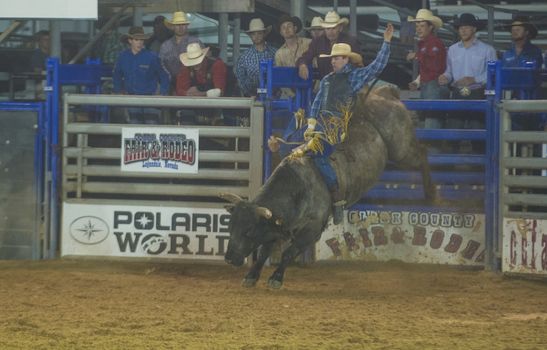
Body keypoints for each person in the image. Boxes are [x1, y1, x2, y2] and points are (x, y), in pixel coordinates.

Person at [295, 24, 394, 224]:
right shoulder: (327, 80)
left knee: (317, 154)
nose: (333, 61)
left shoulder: (354, 76)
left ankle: (337, 198)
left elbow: (377, 66)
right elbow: (317, 102)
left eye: (337, 58)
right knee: (297, 148)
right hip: (322, 126)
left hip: (340, 127)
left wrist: (386, 43)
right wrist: (311, 125)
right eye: (332, 58)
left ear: (347, 60)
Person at [438, 13, 496, 130]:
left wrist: (474, 79)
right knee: (454, 130)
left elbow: (493, 73)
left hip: (478, 94)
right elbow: (449, 72)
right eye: (460, 28)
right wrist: (445, 77)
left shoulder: (487, 50)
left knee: (477, 130)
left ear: (474, 29)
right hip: (457, 93)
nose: (463, 30)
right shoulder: (452, 50)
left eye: (466, 27)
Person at [113, 27, 170, 124]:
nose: (140, 42)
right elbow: (117, 75)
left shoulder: (152, 57)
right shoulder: (122, 57)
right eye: (136, 40)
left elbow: (164, 76)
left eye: (142, 40)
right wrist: (118, 91)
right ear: (130, 41)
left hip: (150, 99)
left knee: (151, 128)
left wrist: (162, 93)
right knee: (134, 130)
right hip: (131, 99)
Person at [407, 9, 448, 130]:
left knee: (430, 123)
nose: (418, 28)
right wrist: (417, 82)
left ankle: (433, 147)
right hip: (429, 86)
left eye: (422, 26)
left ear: (431, 27)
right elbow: (428, 68)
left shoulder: (434, 43)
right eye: (417, 26)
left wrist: (416, 55)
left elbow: (434, 66)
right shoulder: (426, 43)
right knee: (426, 121)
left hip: (434, 86)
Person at [296, 10, 361, 81]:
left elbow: (358, 63)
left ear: (340, 28)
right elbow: (306, 56)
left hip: (347, 83)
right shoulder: (318, 42)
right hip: (326, 84)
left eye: (333, 28)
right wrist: (302, 64)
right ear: (324, 29)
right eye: (328, 28)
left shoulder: (350, 42)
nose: (330, 32)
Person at [234, 18, 277, 97]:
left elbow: (280, 75)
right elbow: (240, 78)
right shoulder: (243, 57)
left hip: (274, 98)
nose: (256, 36)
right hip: (251, 97)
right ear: (250, 36)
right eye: (253, 34)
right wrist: (249, 94)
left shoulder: (275, 53)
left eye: (259, 33)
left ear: (264, 34)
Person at [159, 11, 202, 88]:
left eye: (183, 24)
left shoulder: (196, 42)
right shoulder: (165, 45)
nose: (180, 27)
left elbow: (202, 64)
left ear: (187, 26)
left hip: (192, 84)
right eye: (177, 25)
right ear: (173, 27)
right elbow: (160, 64)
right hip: (171, 84)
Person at [275, 14, 311, 98]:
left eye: (289, 26)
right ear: (281, 32)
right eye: (283, 27)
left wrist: (313, 90)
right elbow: (281, 79)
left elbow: (317, 67)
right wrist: (293, 96)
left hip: (310, 90)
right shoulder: (279, 54)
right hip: (290, 96)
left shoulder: (308, 44)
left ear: (295, 28)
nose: (286, 29)